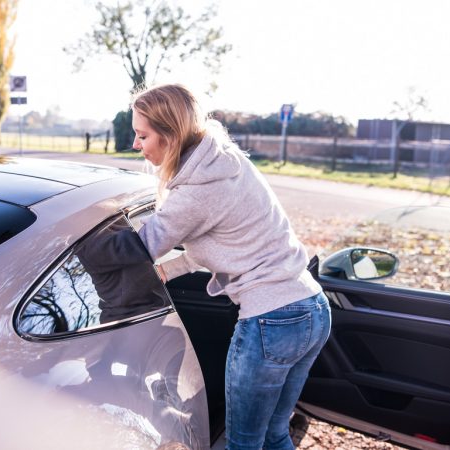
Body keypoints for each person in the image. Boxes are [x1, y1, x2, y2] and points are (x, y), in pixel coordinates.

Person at [131, 84, 331, 450]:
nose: (135, 145)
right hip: (312, 307)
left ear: (170, 135)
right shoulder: (225, 162)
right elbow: (227, 241)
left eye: (142, 135)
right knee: (274, 434)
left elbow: (137, 249)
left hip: (271, 319)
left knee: (243, 443)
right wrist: (169, 270)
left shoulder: (194, 191)